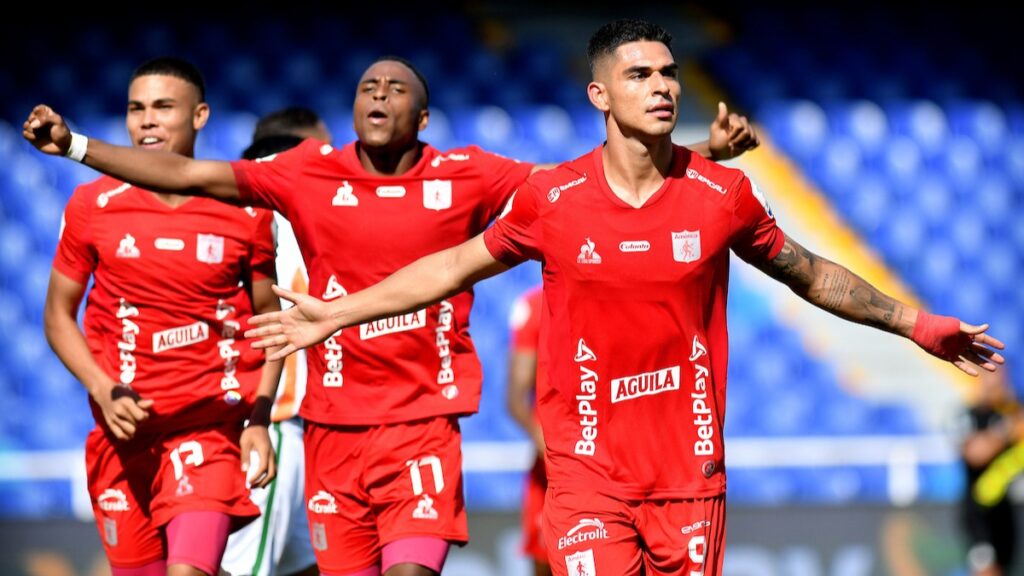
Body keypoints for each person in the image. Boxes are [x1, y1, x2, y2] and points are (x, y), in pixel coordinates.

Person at [233, 19, 1005, 576]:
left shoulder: (721, 194)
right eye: (641, 75)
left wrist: (918, 324)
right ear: (601, 93)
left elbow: (811, 272)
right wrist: (335, 313)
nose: (663, 86)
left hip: (689, 479)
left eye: (669, 73)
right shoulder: (555, 200)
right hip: (586, 475)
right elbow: (448, 268)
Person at [23, 52, 759, 575]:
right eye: (367, 86)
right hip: (333, 433)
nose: (378, 95)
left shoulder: (466, 172)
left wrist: (697, 153)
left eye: (396, 87)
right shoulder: (308, 173)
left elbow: (583, 189)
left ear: (423, 114)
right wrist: (77, 147)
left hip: (423, 428)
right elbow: (188, 172)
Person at [40, 57, 281, 576]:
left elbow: (270, 319)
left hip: (207, 432)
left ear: (200, 116)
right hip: (121, 440)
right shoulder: (92, 204)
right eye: (136, 108)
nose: (147, 120)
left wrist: (259, 419)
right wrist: (103, 389)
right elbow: (58, 315)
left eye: (163, 107)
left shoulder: (247, 211)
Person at [221, 108, 326, 576]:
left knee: (303, 566)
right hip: (268, 425)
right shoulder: (266, 222)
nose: (334, 162)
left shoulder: (257, 217)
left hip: (297, 429)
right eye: (320, 150)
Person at [505, 286, 551, 576]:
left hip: (613, 461)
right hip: (553, 469)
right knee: (546, 563)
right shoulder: (534, 307)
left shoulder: (616, 300)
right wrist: (544, 440)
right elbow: (515, 397)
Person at [959, 367, 1021, 576]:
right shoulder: (970, 415)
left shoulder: (1013, 412)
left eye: (1000, 379)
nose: (995, 385)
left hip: (1009, 513)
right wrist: (1005, 432)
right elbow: (975, 455)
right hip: (979, 515)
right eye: (990, 377)